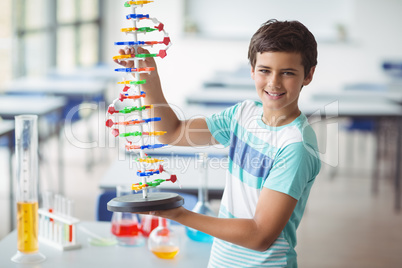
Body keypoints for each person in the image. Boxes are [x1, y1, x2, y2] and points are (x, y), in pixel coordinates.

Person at [115, 19, 321, 268]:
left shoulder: (295, 146)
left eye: (287, 73)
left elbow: (259, 235)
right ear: (252, 70)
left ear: (308, 75)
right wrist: (149, 78)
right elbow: (172, 132)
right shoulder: (242, 115)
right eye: (265, 70)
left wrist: (178, 214)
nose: (274, 82)